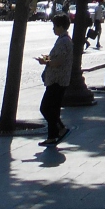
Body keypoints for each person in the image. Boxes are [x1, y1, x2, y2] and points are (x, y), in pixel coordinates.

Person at [37, 12, 73, 146]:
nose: (53, 29)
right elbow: (57, 57)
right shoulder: (64, 39)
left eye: (55, 26)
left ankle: (60, 129)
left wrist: (45, 62)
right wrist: (47, 58)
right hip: (59, 79)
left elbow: (58, 61)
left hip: (57, 80)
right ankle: (52, 136)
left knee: (45, 107)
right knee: (53, 108)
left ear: (61, 27)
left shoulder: (63, 41)